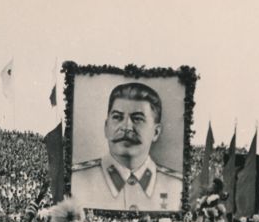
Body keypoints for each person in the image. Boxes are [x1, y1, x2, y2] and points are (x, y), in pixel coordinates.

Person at [70, 82, 183, 211]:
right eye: (117, 117)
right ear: (106, 127)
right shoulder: (76, 182)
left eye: (138, 119)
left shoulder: (177, 188)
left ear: (156, 132)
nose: (126, 127)